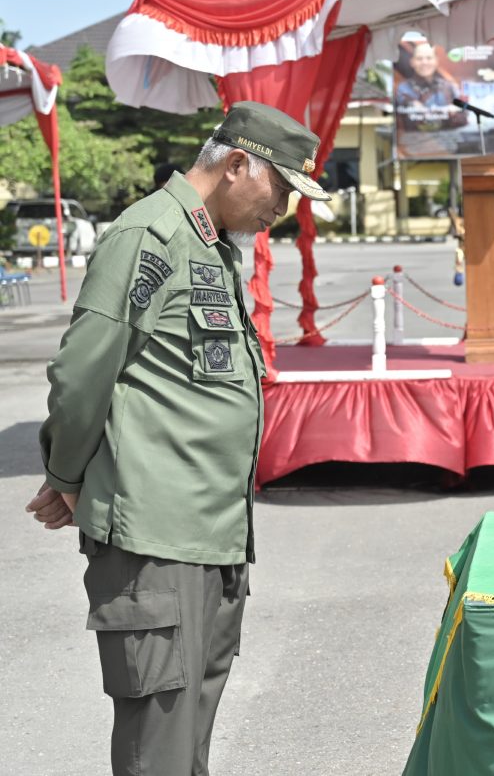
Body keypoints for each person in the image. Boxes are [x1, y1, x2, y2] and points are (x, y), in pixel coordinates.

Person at [25, 101, 331, 775]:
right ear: (237, 164)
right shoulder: (150, 236)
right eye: (280, 188)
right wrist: (68, 476)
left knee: (186, 741)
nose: (282, 207)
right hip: (155, 542)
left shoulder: (208, 245)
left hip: (209, 538)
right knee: (158, 748)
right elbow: (83, 372)